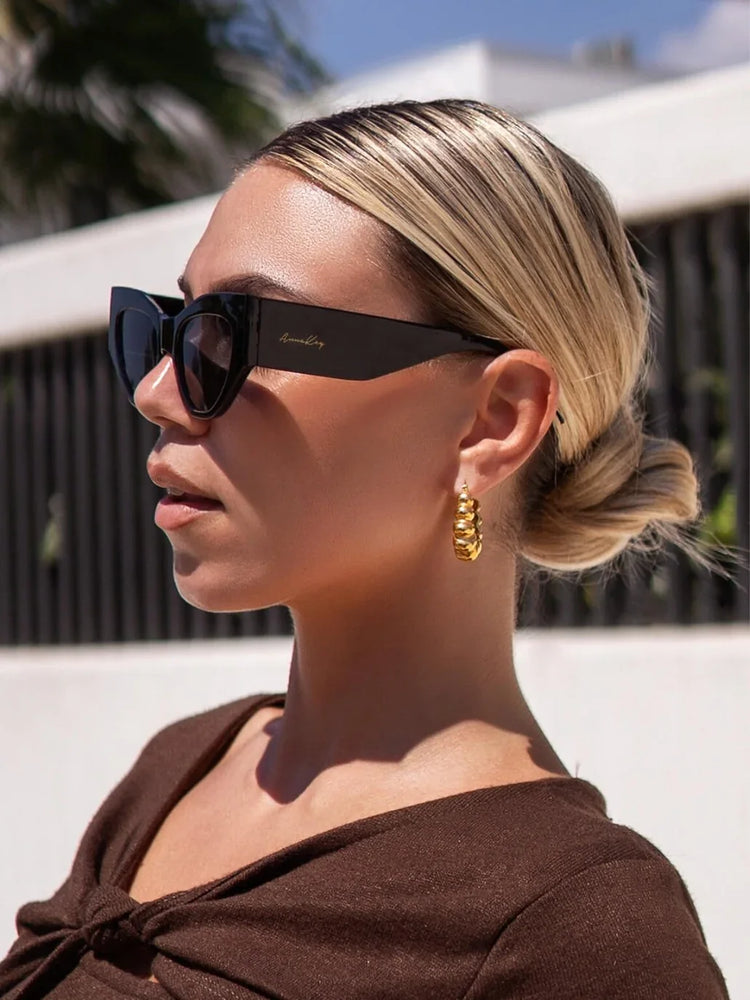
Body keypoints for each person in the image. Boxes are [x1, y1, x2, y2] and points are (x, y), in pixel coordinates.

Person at [0, 99, 728, 999]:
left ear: (492, 421)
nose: (157, 390)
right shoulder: (180, 766)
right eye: (173, 327)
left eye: (239, 334)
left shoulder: (581, 930)